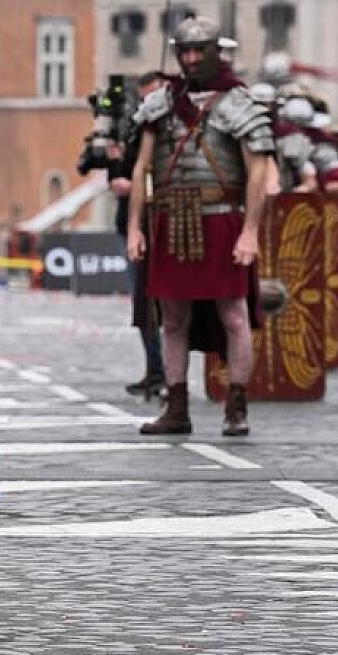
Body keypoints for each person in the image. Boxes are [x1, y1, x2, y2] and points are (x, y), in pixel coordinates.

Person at [126, 16, 273, 437]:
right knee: (172, 318)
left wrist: (250, 232)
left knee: (233, 315)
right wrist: (135, 227)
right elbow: (142, 169)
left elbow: (258, 172)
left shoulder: (238, 102)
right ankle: (177, 408)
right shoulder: (161, 103)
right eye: (184, 51)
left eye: (198, 51)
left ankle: (237, 407)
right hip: (171, 220)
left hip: (222, 219)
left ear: (214, 52)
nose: (191, 59)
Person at [108, 71, 165, 399]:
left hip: (160, 224)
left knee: (168, 307)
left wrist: (135, 187)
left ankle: (168, 374)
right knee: (143, 304)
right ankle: (156, 370)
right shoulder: (132, 130)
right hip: (132, 224)